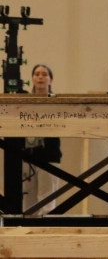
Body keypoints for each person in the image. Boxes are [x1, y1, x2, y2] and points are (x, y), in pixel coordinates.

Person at [23, 64, 62, 215]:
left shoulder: (57, 102)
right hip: (27, 157)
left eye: (44, 74)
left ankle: (47, 227)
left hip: (49, 157)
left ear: (50, 80)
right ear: (32, 78)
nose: (40, 77)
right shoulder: (23, 102)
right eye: (37, 74)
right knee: (28, 202)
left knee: (47, 201)